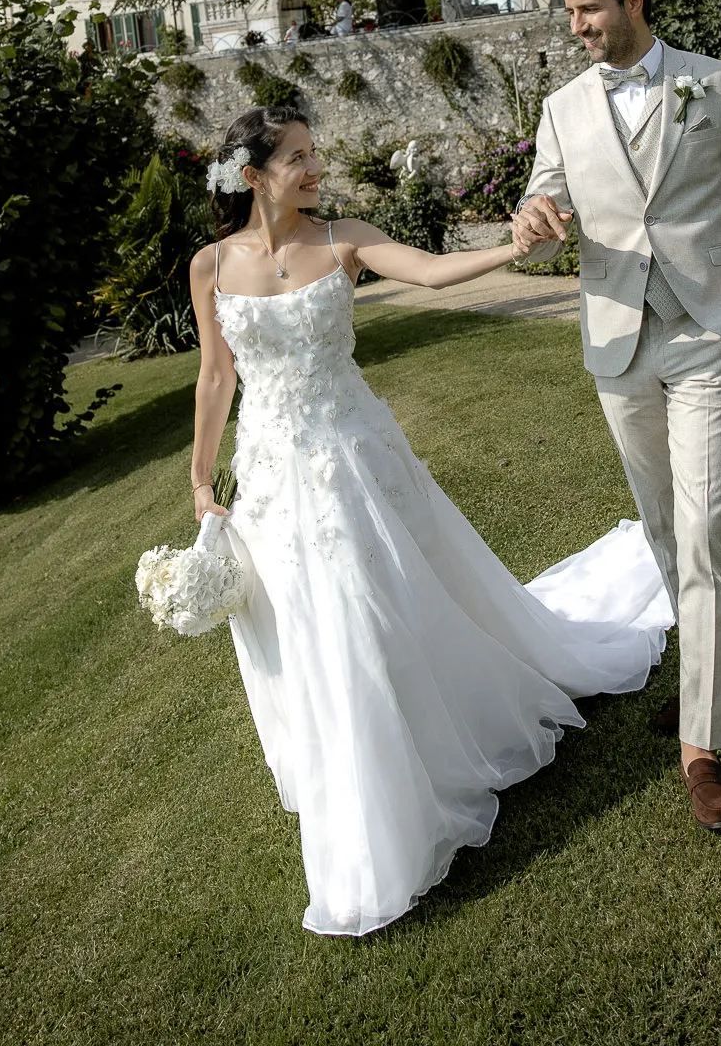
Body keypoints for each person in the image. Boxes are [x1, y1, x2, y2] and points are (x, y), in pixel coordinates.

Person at [186, 104, 671, 937]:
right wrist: (201, 481)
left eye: (314, 152)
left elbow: (433, 271)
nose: (316, 167)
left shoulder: (343, 237)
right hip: (271, 476)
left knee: (382, 602)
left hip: (357, 453)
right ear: (253, 174)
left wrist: (514, 249)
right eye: (298, 156)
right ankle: (358, 775)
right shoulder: (210, 264)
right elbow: (214, 377)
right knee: (312, 623)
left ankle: (429, 751)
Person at [511, 0, 721, 834]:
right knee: (663, 523)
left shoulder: (713, 83)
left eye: (588, 9)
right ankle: (710, 658)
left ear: (632, 1)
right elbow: (541, 205)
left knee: (703, 529)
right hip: (617, 340)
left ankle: (699, 747)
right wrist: (532, 217)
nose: (577, 27)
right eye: (569, 13)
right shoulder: (560, 109)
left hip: (710, 332)